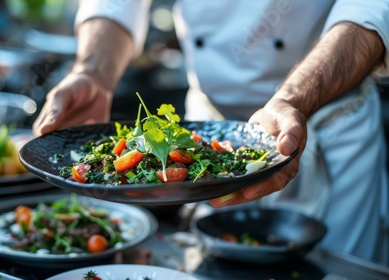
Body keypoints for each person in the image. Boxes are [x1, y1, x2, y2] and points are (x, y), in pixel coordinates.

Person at [33, 0, 389, 266]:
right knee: (214, 266)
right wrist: (93, 71)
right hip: (209, 129)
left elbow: (369, 8)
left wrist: (292, 98)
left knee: (338, 268)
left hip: (330, 126)